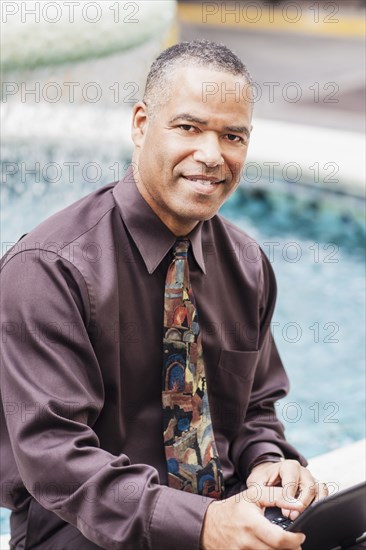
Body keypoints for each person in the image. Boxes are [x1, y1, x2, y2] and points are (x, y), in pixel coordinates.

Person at [0, 40, 328, 550]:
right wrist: (202, 526)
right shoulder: (49, 270)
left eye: (232, 135)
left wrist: (268, 461)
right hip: (85, 539)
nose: (212, 155)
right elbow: (55, 457)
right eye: (189, 128)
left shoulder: (245, 264)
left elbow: (256, 409)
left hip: (225, 521)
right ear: (140, 124)